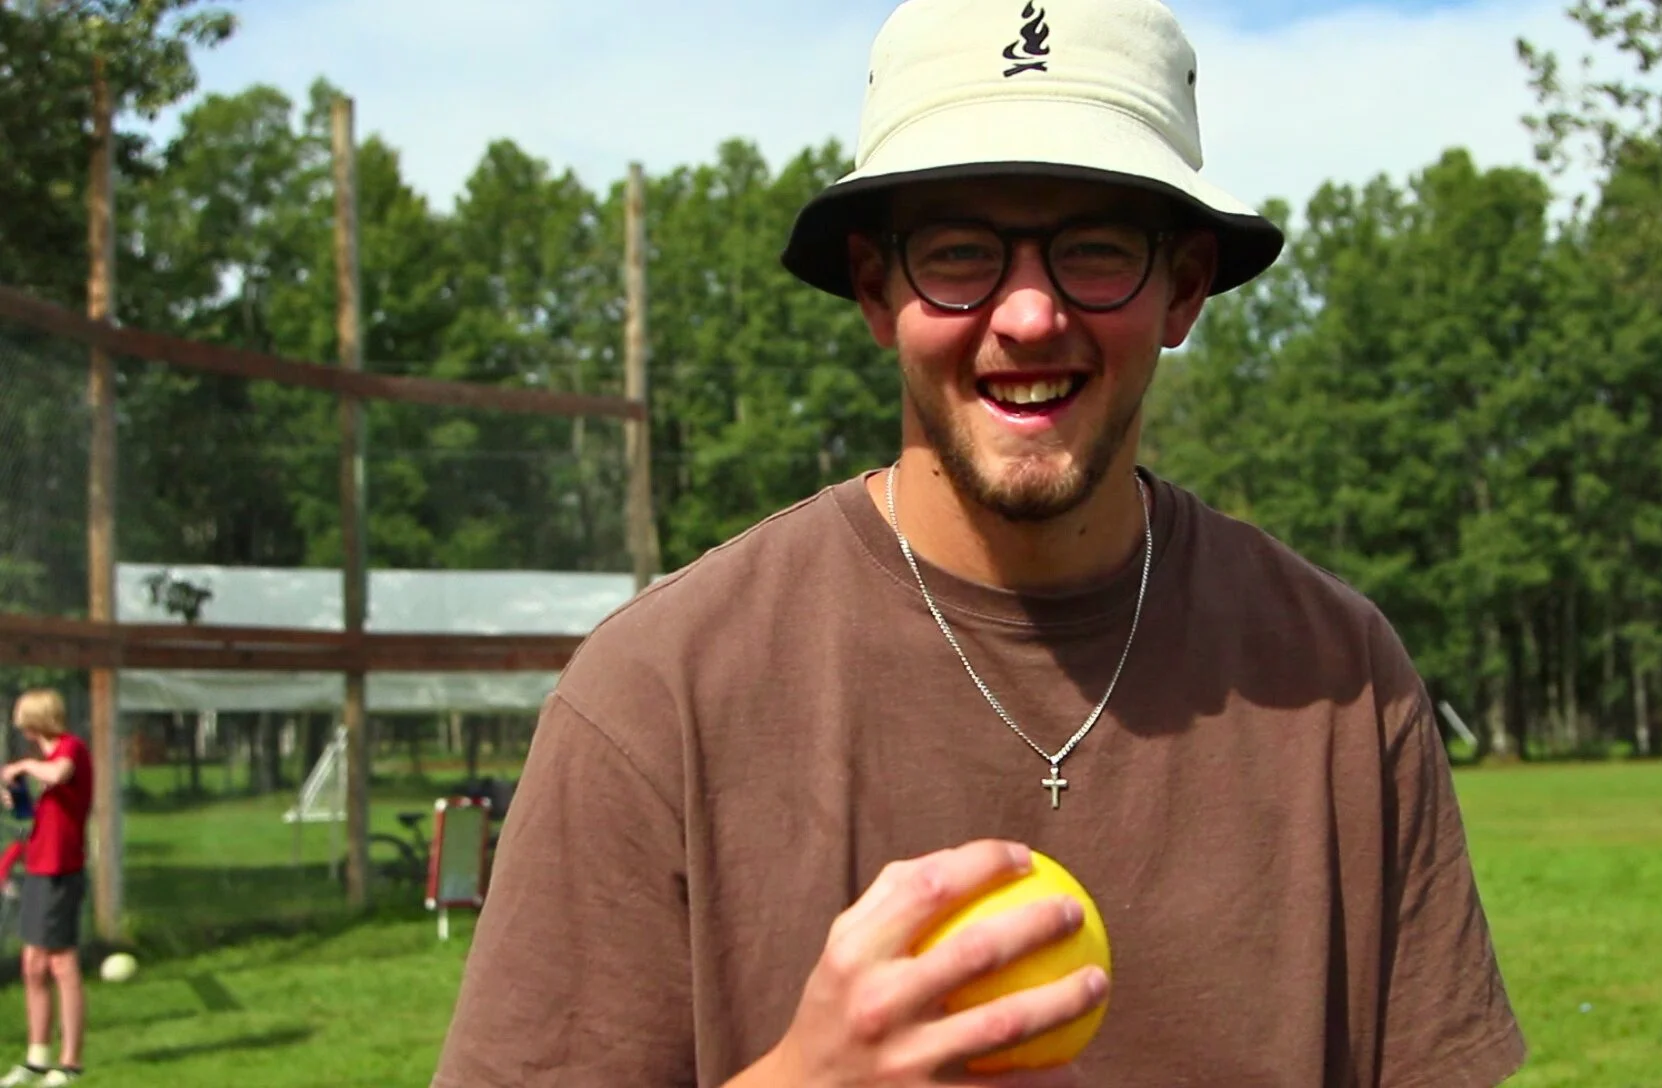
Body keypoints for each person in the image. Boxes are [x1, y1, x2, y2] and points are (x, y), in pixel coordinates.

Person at [433, 0, 1526, 1084]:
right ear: (877, 288)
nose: (1030, 315)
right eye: (961, 254)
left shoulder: (1339, 683)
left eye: (1095, 251)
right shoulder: (656, 697)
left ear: (1185, 287)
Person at [0, 690, 94, 1087]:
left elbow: (59, 775)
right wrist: (14, 799)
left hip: (62, 870)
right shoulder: (40, 765)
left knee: (61, 964)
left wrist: (23, 765)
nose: (20, 726)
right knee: (32, 965)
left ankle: (69, 1062)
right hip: (37, 867)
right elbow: (27, 822)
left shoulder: (70, 750)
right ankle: (37, 1057)